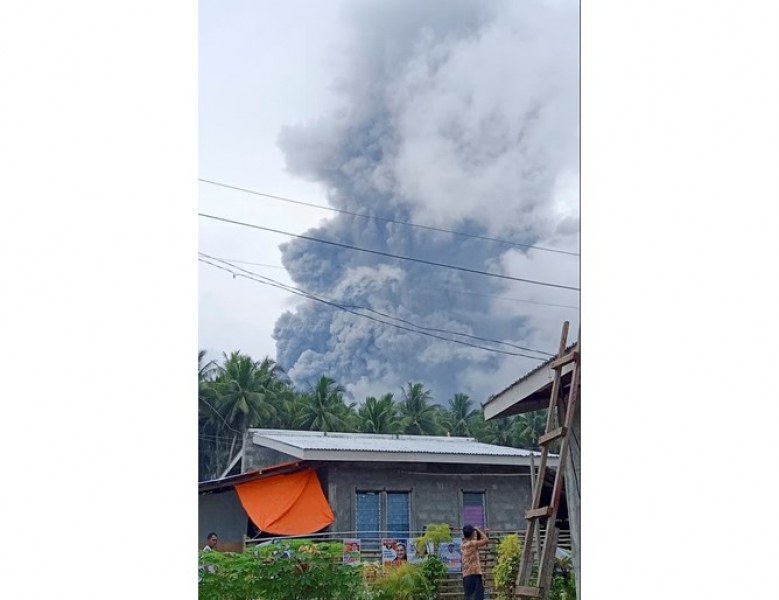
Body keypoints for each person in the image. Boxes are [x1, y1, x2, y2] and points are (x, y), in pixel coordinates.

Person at [461, 524, 489, 600]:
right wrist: (479, 530)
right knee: (477, 597)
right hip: (474, 574)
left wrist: (477, 532)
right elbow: (486, 540)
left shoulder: (463, 544)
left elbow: (478, 541)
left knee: (469, 597)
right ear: (472, 534)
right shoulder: (472, 543)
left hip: (467, 576)